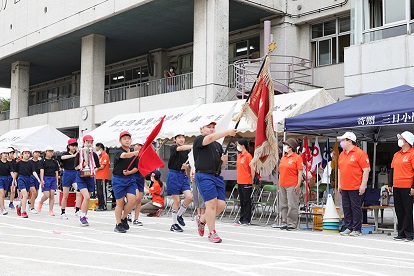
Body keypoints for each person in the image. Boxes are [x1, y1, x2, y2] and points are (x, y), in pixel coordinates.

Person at [193, 120, 237, 243]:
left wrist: (224, 161)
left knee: (221, 205)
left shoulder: (217, 146)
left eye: (213, 127)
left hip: (216, 176)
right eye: (209, 127)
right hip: (204, 175)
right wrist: (227, 132)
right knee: (211, 203)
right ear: (201, 129)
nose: (211, 129)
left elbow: (221, 165)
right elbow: (210, 138)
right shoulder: (199, 140)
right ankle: (212, 232)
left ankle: (202, 220)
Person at [337, 131, 370, 237]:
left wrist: (363, 185)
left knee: (355, 207)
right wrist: (339, 184)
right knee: (346, 207)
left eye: (343, 140)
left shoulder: (360, 153)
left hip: (355, 185)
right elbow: (339, 170)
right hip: (345, 185)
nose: (341, 142)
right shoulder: (342, 154)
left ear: (350, 141)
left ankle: (357, 228)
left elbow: (366, 169)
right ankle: (348, 227)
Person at [272, 138, 303, 230]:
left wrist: (298, 184)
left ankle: (292, 222)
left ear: (291, 147)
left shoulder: (297, 157)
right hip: (282, 183)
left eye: (286, 145)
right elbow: (281, 171)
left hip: (292, 183)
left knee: (292, 204)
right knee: (283, 204)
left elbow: (300, 172)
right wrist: (279, 182)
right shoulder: (284, 157)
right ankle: (284, 221)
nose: (285, 147)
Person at [388, 131, 414, 241]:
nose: (400, 140)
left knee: (408, 210)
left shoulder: (412, 154)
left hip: (407, 185)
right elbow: (392, 170)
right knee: (399, 210)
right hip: (397, 185)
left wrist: (413, 186)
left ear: (407, 141)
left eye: (402, 138)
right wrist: (390, 184)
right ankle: (401, 232)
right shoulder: (396, 154)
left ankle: (409, 233)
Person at [112, 131, 138, 233]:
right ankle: (118, 224)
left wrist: (130, 172)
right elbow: (124, 156)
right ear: (120, 141)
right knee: (120, 203)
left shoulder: (133, 152)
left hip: (130, 179)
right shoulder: (118, 151)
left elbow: (137, 167)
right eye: (124, 138)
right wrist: (134, 153)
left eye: (128, 138)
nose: (127, 140)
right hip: (118, 179)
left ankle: (123, 218)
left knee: (133, 200)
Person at [167, 130, 193, 232]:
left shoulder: (187, 151)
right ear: (175, 139)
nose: (181, 139)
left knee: (189, 197)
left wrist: (187, 166)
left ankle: (178, 215)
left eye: (183, 137)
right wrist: (194, 146)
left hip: (183, 175)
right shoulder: (173, 147)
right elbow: (180, 148)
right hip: (173, 175)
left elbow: (189, 162)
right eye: (179, 137)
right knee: (177, 200)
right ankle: (174, 224)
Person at [74, 135, 100, 226]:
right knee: (87, 197)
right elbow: (76, 167)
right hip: (81, 177)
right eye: (87, 142)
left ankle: (84, 214)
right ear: (84, 142)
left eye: (91, 142)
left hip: (90, 178)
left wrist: (93, 170)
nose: (89, 144)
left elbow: (98, 166)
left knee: (87, 198)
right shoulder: (79, 153)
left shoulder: (94, 154)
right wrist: (82, 165)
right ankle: (82, 216)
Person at [14, 148, 41, 218]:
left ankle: (19, 206)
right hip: (21, 179)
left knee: (26, 196)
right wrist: (14, 180)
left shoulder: (30, 163)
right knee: (25, 195)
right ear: (22, 154)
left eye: (28, 153)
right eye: (25, 153)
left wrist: (38, 179)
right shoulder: (18, 163)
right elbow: (16, 173)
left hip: (28, 179)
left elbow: (34, 172)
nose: (27, 154)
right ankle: (23, 211)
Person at [235, 138, 254, 226]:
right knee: (242, 201)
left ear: (242, 145)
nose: (237, 146)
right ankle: (242, 218)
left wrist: (251, 179)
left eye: (238, 145)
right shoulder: (239, 155)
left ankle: (247, 219)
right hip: (240, 181)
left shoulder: (248, 156)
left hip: (247, 181)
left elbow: (252, 169)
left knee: (247, 201)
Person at [37, 146, 60, 216]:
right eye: (49, 151)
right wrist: (42, 179)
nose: (51, 153)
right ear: (45, 152)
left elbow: (56, 172)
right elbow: (41, 171)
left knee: (52, 194)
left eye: (52, 151)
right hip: (46, 178)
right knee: (47, 194)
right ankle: (41, 202)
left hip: (53, 178)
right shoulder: (42, 161)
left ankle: (51, 210)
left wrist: (57, 181)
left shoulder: (55, 162)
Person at [60, 138, 79, 219]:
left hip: (75, 173)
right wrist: (73, 155)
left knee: (79, 191)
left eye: (75, 146)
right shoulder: (66, 153)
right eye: (72, 145)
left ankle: (77, 210)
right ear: (68, 146)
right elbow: (62, 158)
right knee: (65, 195)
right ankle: (63, 212)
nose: (74, 147)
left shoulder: (77, 154)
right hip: (67, 173)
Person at [131, 138, 145, 225]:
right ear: (133, 145)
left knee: (139, 199)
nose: (139, 147)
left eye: (140, 145)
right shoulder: (130, 154)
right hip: (132, 177)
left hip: (141, 177)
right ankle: (128, 213)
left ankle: (136, 219)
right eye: (137, 145)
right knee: (134, 198)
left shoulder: (143, 155)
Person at [95, 142, 110, 211]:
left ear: (101, 149)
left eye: (97, 149)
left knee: (103, 191)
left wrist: (96, 168)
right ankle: (100, 205)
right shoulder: (99, 156)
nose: (97, 151)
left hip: (103, 176)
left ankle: (104, 205)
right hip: (98, 176)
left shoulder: (105, 155)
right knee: (98, 191)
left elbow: (102, 166)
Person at [0, 149, 14, 215]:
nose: (5, 155)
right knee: (2, 194)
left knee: (3, 194)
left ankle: (1, 207)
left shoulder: (9, 163)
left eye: (6, 153)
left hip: (6, 179)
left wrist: (14, 179)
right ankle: (3, 208)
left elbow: (11, 172)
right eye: (4, 153)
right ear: (1, 154)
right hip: (0, 179)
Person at [28, 148, 41, 214]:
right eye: (36, 152)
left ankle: (30, 202)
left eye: (38, 152)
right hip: (31, 177)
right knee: (34, 192)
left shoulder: (40, 162)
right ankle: (32, 207)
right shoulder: (29, 162)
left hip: (38, 177)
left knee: (36, 194)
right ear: (32, 154)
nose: (37, 154)